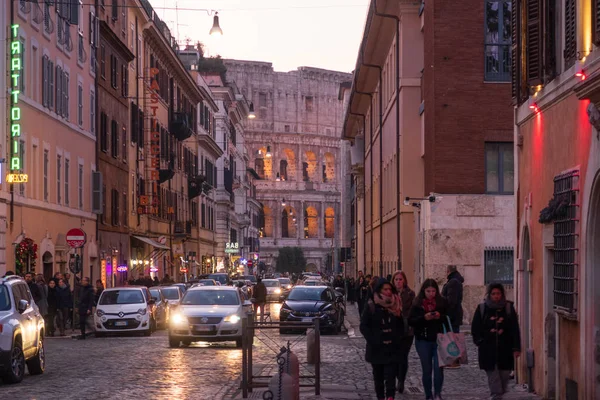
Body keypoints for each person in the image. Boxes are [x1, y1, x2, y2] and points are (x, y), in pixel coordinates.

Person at [472, 283, 521, 400]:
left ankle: (498, 395)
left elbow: (515, 329)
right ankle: (495, 396)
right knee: (494, 378)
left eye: (498, 293)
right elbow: (475, 328)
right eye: (493, 294)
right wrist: (480, 342)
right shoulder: (482, 308)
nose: (496, 296)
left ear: (502, 294)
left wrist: (516, 348)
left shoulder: (508, 308)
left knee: (504, 377)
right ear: (489, 295)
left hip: (505, 350)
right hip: (488, 350)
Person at [360, 278, 404, 400]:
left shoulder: (396, 303)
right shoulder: (371, 305)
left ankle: (390, 396)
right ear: (379, 290)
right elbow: (363, 325)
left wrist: (398, 337)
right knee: (378, 377)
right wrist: (373, 340)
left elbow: (401, 326)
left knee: (391, 376)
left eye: (390, 289)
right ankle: (380, 397)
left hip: (392, 348)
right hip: (377, 348)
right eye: (385, 289)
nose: (388, 291)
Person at [409, 279, 449, 400]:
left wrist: (440, 316)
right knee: (427, 370)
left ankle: (438, 394)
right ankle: (428, 395)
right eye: (428, 291)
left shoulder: (442, 303)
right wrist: (424, 318)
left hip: (439, 340)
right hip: (423, 340)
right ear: (423, 291)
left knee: (439, 369)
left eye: (433, 291)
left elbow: (451, 318)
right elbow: (411, 321)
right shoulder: (417, 304)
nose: (431, 293)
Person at [392, 270, 415, 394]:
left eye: (400, 279)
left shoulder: (411, 294)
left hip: (407, 330)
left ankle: (401, 380)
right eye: (396, 279)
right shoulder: (389, 293)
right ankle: (397, 376)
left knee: (403, 356)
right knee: (395, 356)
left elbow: (412, 311)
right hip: (393, 330)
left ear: (404, 280)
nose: (398, 282)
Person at [441, 265, 464, 333]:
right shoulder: (455, 281)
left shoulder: (453, 282)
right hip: (454, 315)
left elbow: (451, 301)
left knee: (452, 338)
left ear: (448, 271)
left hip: (452, 316)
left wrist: (441, 298)